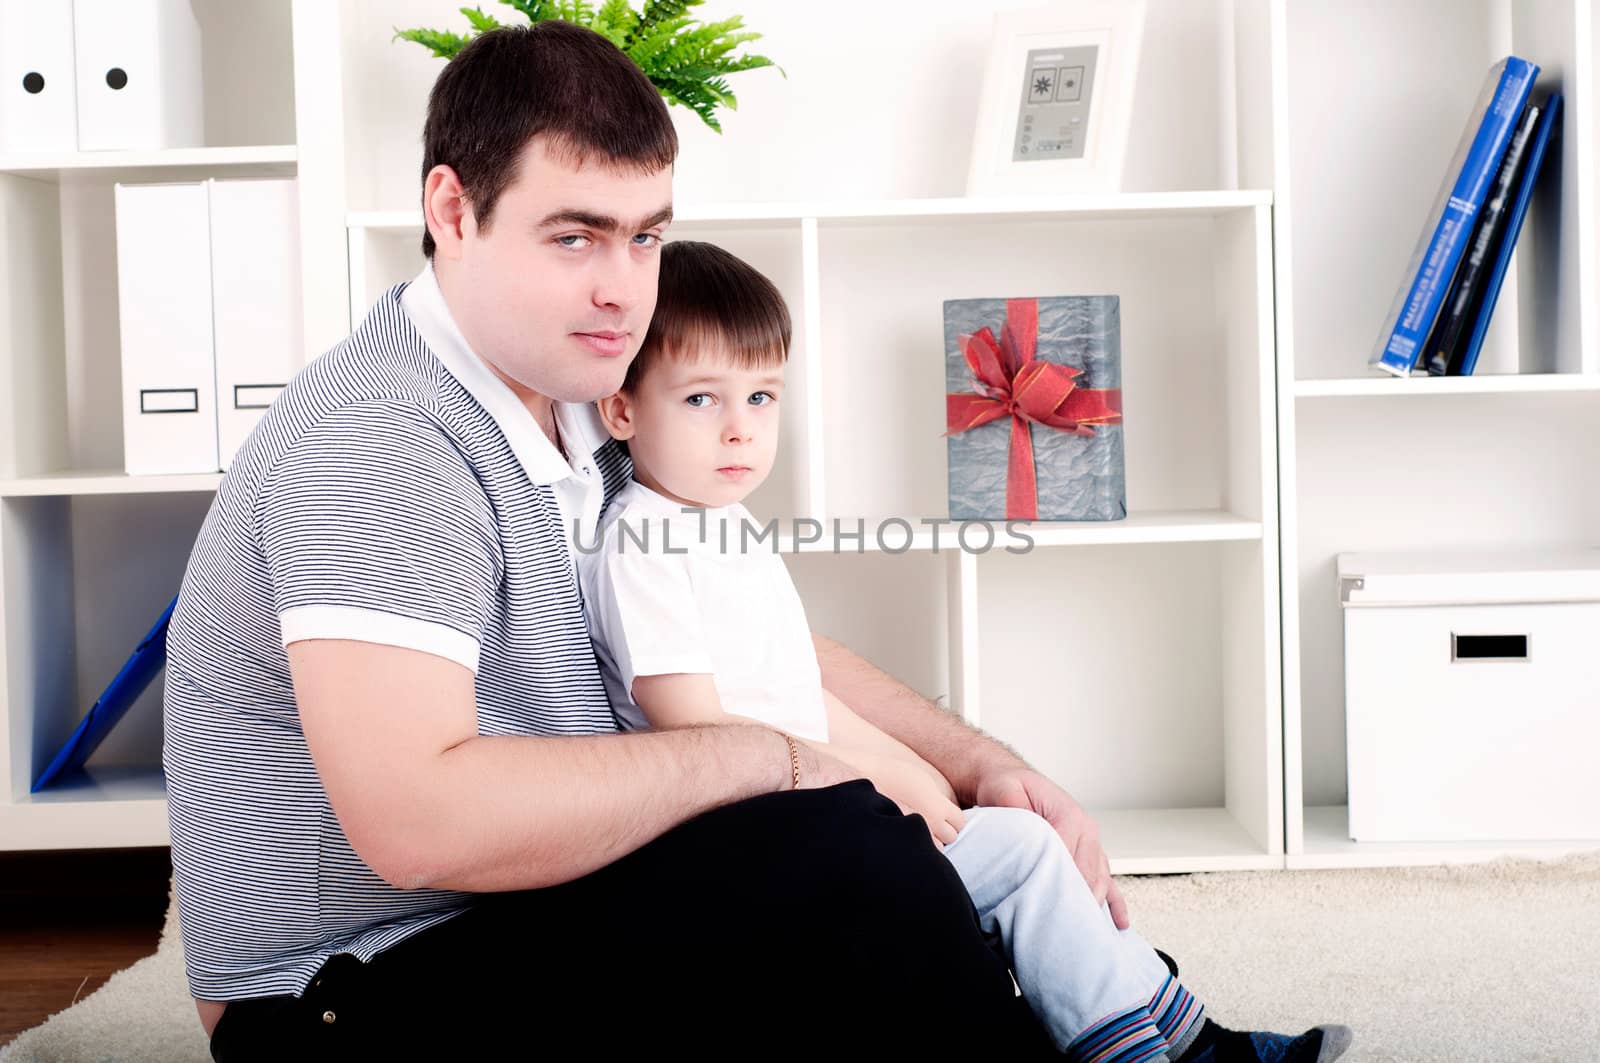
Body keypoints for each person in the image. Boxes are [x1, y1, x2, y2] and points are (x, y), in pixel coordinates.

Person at [164, 21, 1120, 1061]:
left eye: (645, 236)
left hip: (550, 902)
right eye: (575, 237)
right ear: (452, 210)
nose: (623, 287)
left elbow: (739, 647)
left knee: (944, 860)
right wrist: (781, 761)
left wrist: (980, 768)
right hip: (352, 987)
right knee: (842, 850)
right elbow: (417, 823)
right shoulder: (379, 434)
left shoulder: (592, 404)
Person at [577, 240, 1356, 1063]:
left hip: (815, 797)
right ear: (622, 409)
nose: (740, 428)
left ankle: (1191, 1037)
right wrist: (880, 784)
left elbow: (803, 689)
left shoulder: (722, 524)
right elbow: (696, 726)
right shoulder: (642, 545)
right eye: (701, 398)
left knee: (1027, 842)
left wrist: (914, 767)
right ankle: (1148, 1052)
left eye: (762, 396)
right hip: (753, 830)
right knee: (1020, 856)